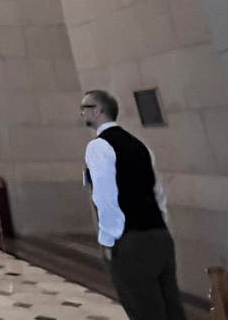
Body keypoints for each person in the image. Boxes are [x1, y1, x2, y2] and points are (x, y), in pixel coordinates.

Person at [80, 90, 186, 320]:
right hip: (159, 235)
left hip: (130, 240)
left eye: (84, 108)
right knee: (172, 309)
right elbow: (157, 192)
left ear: (97, 110)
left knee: (144, 310)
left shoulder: (98, 147)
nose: (82, 113)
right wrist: (159, 225)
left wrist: (108, 240)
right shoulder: (140, 146)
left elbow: (105, 196)